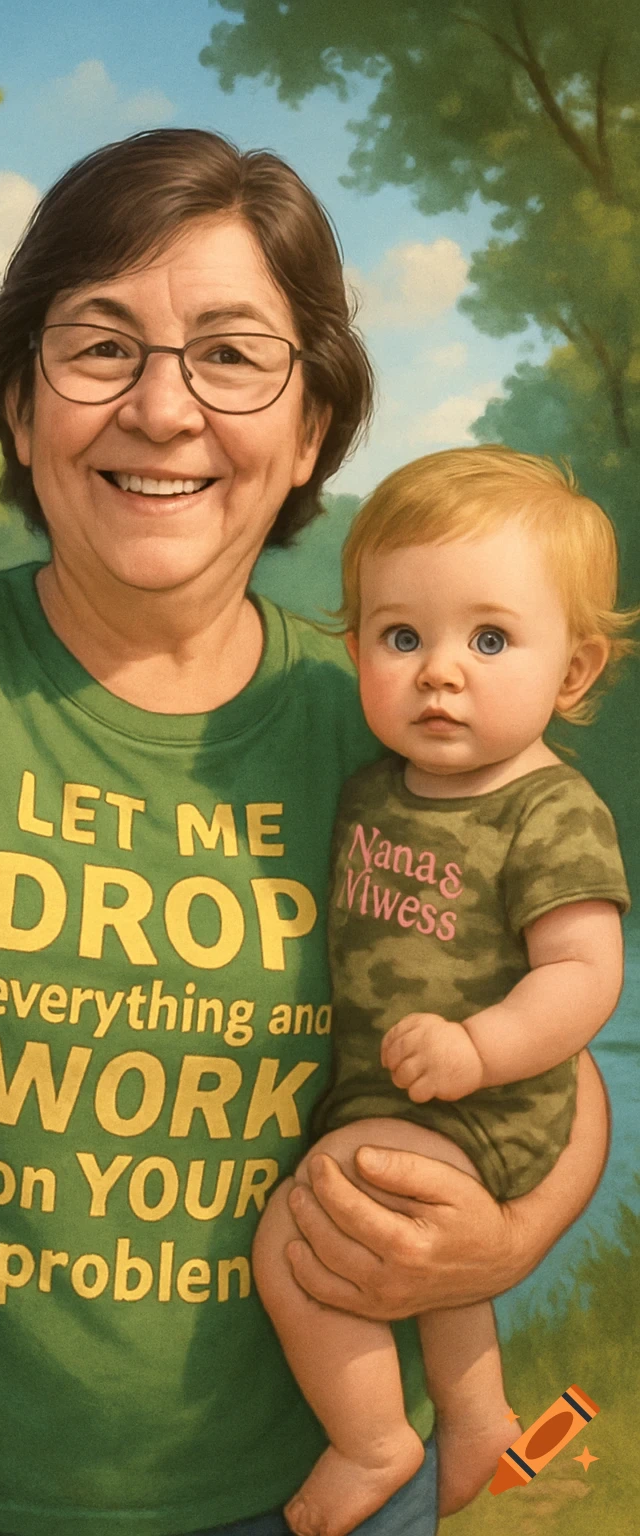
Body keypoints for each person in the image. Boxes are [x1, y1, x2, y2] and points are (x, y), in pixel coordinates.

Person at [0, 130, 615, 1536]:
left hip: (304, 1497)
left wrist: (506, 1232)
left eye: (230, 355)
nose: (163, 409)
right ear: (20, 411)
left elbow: (555, 1045)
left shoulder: (391, 730)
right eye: (100, 349)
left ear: (314, 427)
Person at [253, 447, 632, 1536]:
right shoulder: (374, 786)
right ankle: (476, 1417)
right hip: (408, 1094)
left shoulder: (549, 811)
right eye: (400, 636)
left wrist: (481, 1049)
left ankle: (374, 1441)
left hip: (492, 1101)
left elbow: (583, 974)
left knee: (308, 1230)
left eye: (490, 639)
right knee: (423, 1252)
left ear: (573, 673)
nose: (438, 671)